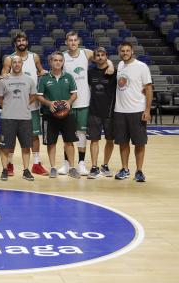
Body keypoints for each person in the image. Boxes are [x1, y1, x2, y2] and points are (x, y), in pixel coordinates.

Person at [61, 30, 114, 176]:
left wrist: (110, 64)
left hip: (84, 101)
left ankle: (81, 163)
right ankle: (66, 163)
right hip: (68, 102)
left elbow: (101, 56)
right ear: (66, 42)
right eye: (70, 40)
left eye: (75, 40)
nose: (72, 43)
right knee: (68, 135)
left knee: (82, 134)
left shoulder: (86, 53)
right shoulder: (63, 57)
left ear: (79, 41)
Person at [0, 31, 48, 176]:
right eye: (19, 41)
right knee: (12, 137)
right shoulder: (9, 59)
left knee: (34, 136)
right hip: (15, 106)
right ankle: (9, 164)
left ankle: (36, 164)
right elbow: (4, 74)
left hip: (31, 105)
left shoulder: (34, 57)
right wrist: (4, 75)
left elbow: (41, 72)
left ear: (27, 42)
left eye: (23, 40)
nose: (21, 43)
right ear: (15, 43)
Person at [35, 51, 80, 179]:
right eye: (55, 60)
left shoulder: (69, 77)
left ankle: (71, 167)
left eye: (60, 60)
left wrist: (69, 102)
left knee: (69, 142)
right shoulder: (44, 78)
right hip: (49, 115)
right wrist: (49, 103)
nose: (58, 62)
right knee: (51, 143)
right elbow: (39, 96)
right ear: (50, 62)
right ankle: (53, 167)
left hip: (68, 114)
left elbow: (74, 94)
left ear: (63, 62)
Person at [113, 41, 153, 182]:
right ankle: (125, 169)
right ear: (119, 53)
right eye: (122, 51)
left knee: (139, 143)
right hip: (120, 111)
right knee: (123, 143)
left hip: (137, 110)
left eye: (127, 51)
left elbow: (148, 89)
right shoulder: (120, 66)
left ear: (132, 52)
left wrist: (147, 110)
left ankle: (139, 171)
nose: (125, 53)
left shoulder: (142, 67)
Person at [0, 55, 38, 181]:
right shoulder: (4, 80)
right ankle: (4, 169)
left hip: (25, 118)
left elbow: (33, 95)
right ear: (11, 64)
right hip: (8, 118)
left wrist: (24, 104)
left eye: (19, 62)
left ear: (22, 64)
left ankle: (26, 170)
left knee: (26, 146)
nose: (16, 64)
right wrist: (8, 106)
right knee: (4, 146)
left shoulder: (29, 80)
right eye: (14, 62)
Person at [87, 47, 117, 179]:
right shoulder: (90, 72)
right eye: (97, 55)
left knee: (110, 140)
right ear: (94, 58)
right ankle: (94, 167)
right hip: (94, 110)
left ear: (107, 57)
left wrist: (111, 65)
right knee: (94, 140)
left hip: (110, 111)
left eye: (102, 55)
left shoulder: (113, 72)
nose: (100, 57)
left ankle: (105, 165)